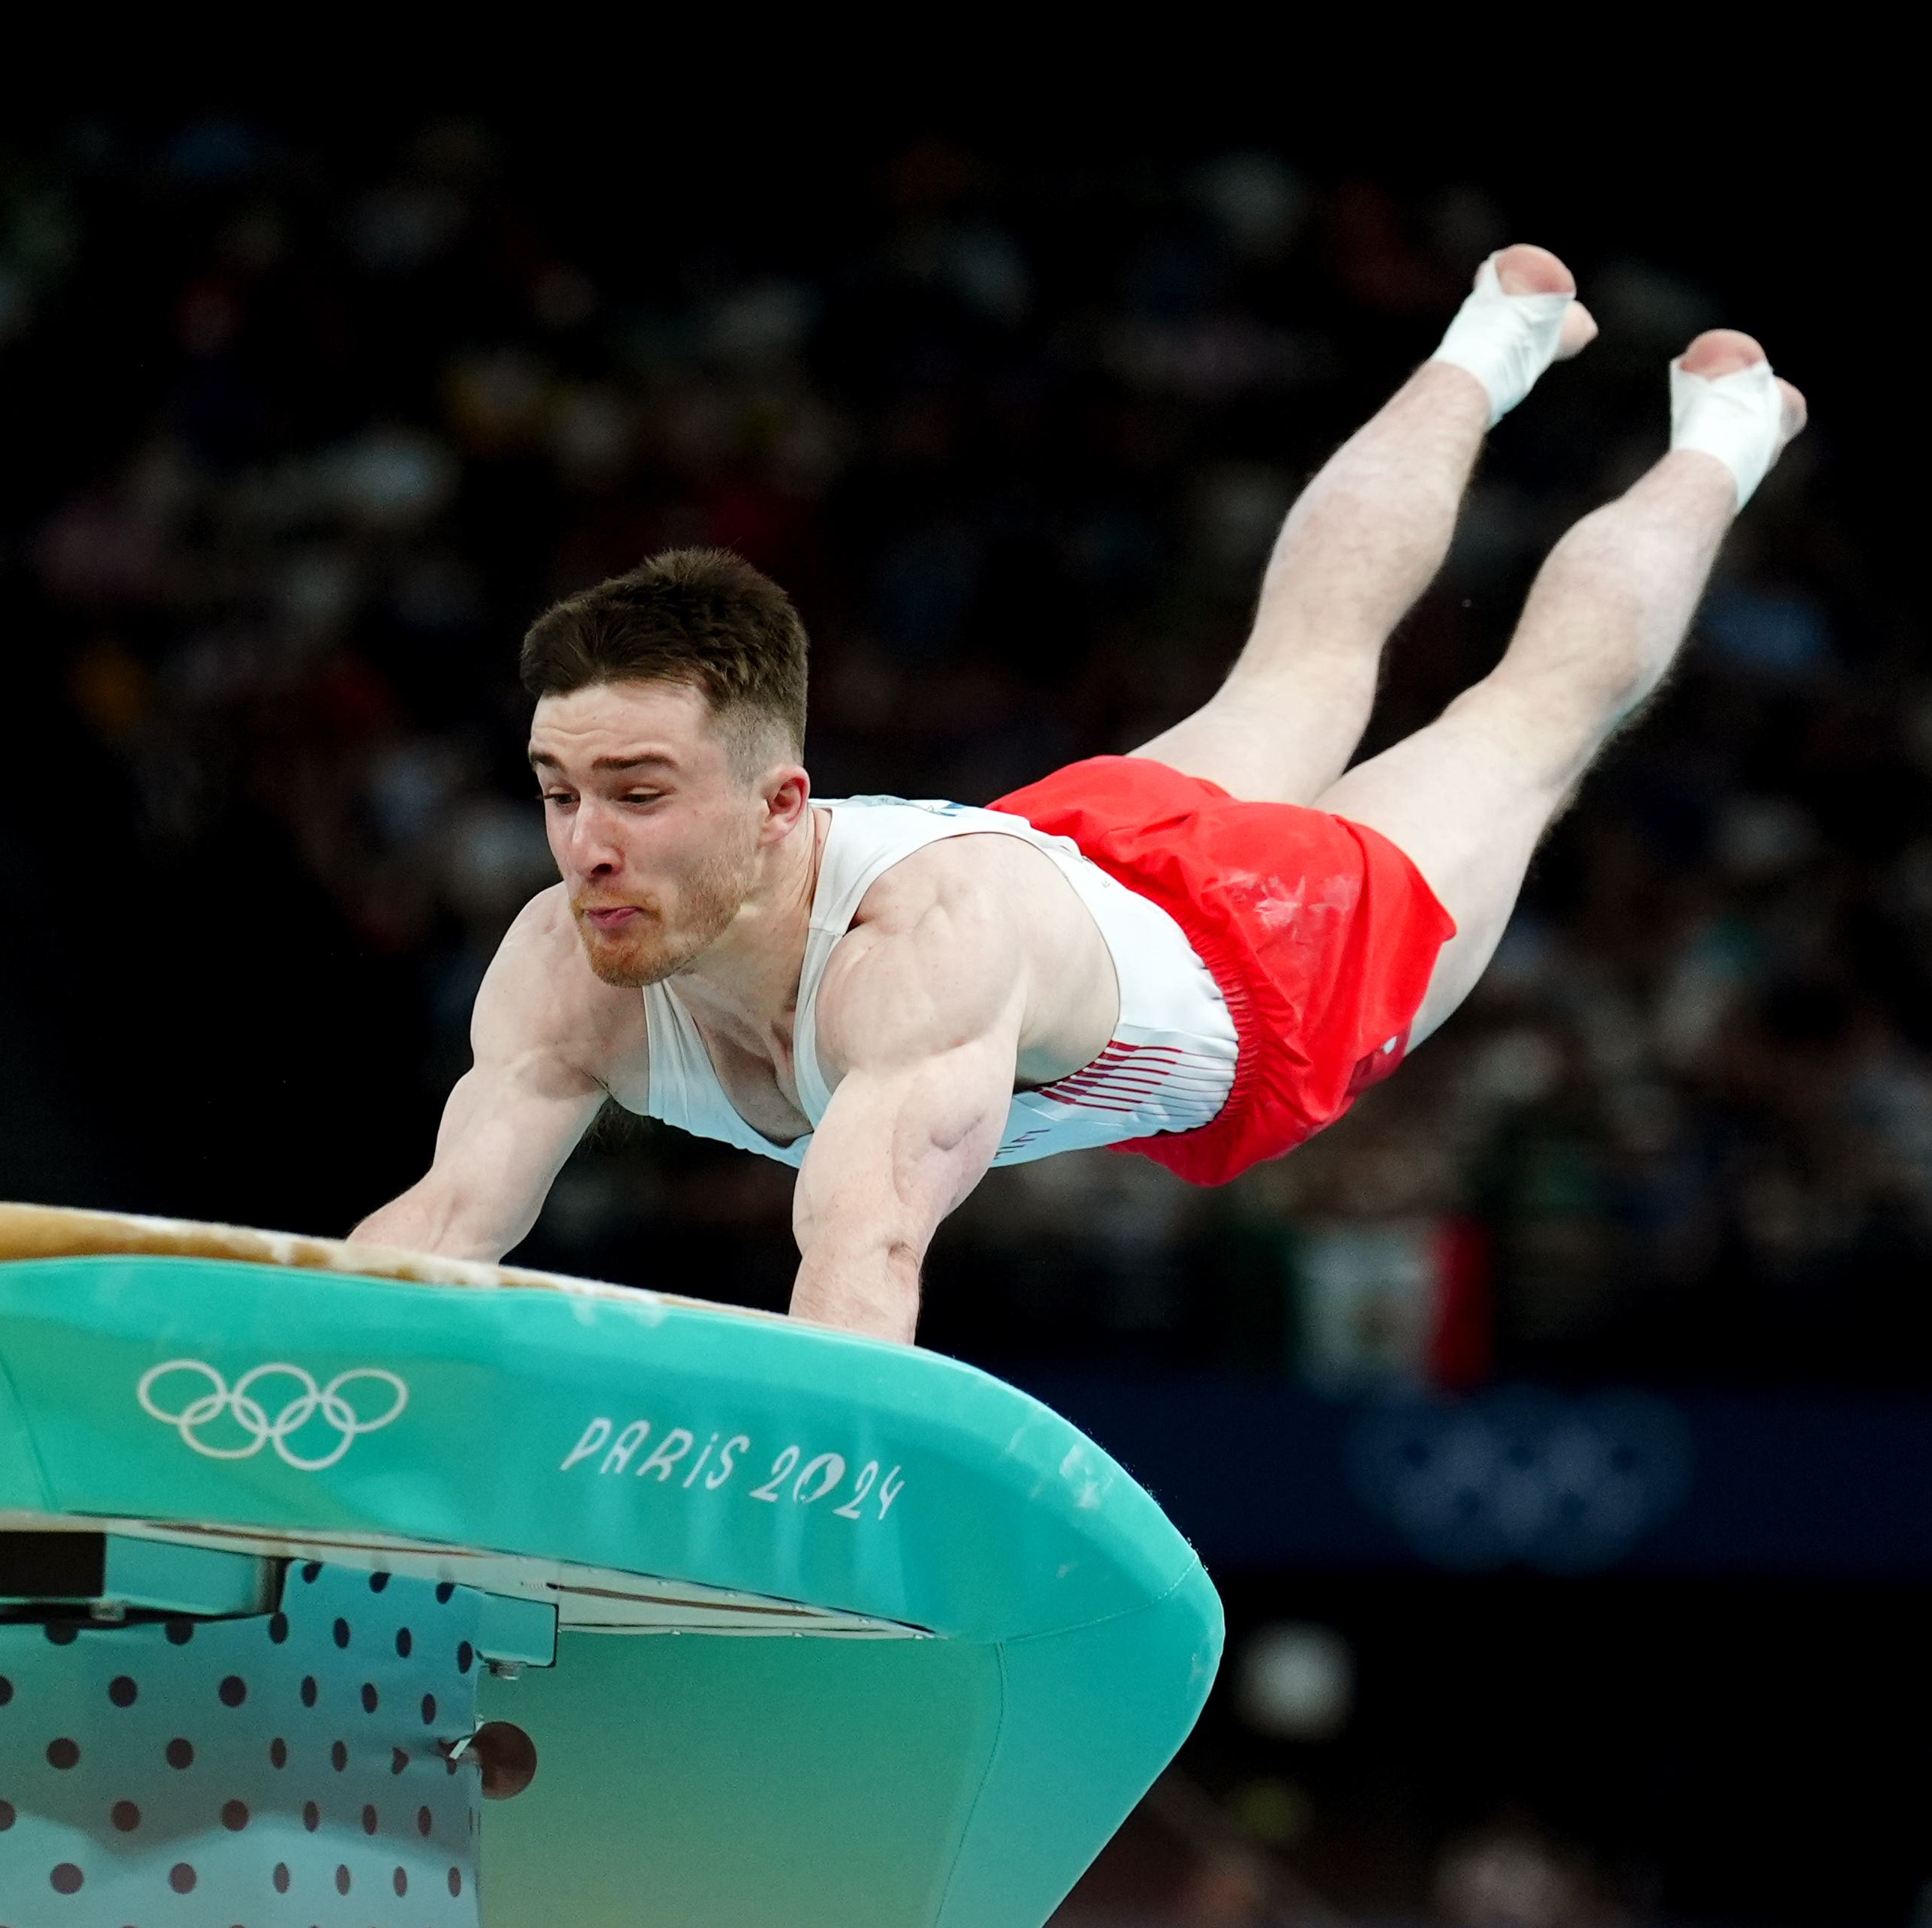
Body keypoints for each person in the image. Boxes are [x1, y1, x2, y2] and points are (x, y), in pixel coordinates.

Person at [356, 248, 1806, 1341]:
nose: (586, 849)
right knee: (1299, 661)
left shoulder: (914, 963)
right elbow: (438, 1232)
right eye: (557, 792)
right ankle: (1498, 336)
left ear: (785, 802)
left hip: (1264, 973)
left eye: (639, 792)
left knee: (1526, 717)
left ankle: (1725, 437)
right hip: (1079, 854)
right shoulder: (564, 962)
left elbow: (860, 1268)